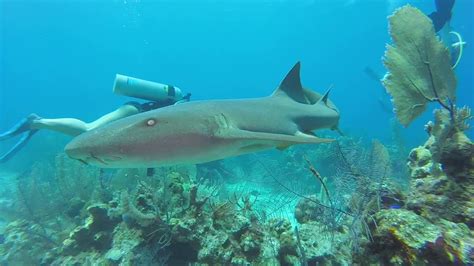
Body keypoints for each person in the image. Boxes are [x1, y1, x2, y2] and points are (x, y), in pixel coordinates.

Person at [0, 74, 191, 163]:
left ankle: (37, 123)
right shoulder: (182, 106)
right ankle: (37, 122)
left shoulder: (176, 102)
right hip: (134, 112)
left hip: (134, 110)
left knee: (91, 132)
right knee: (89, 130)